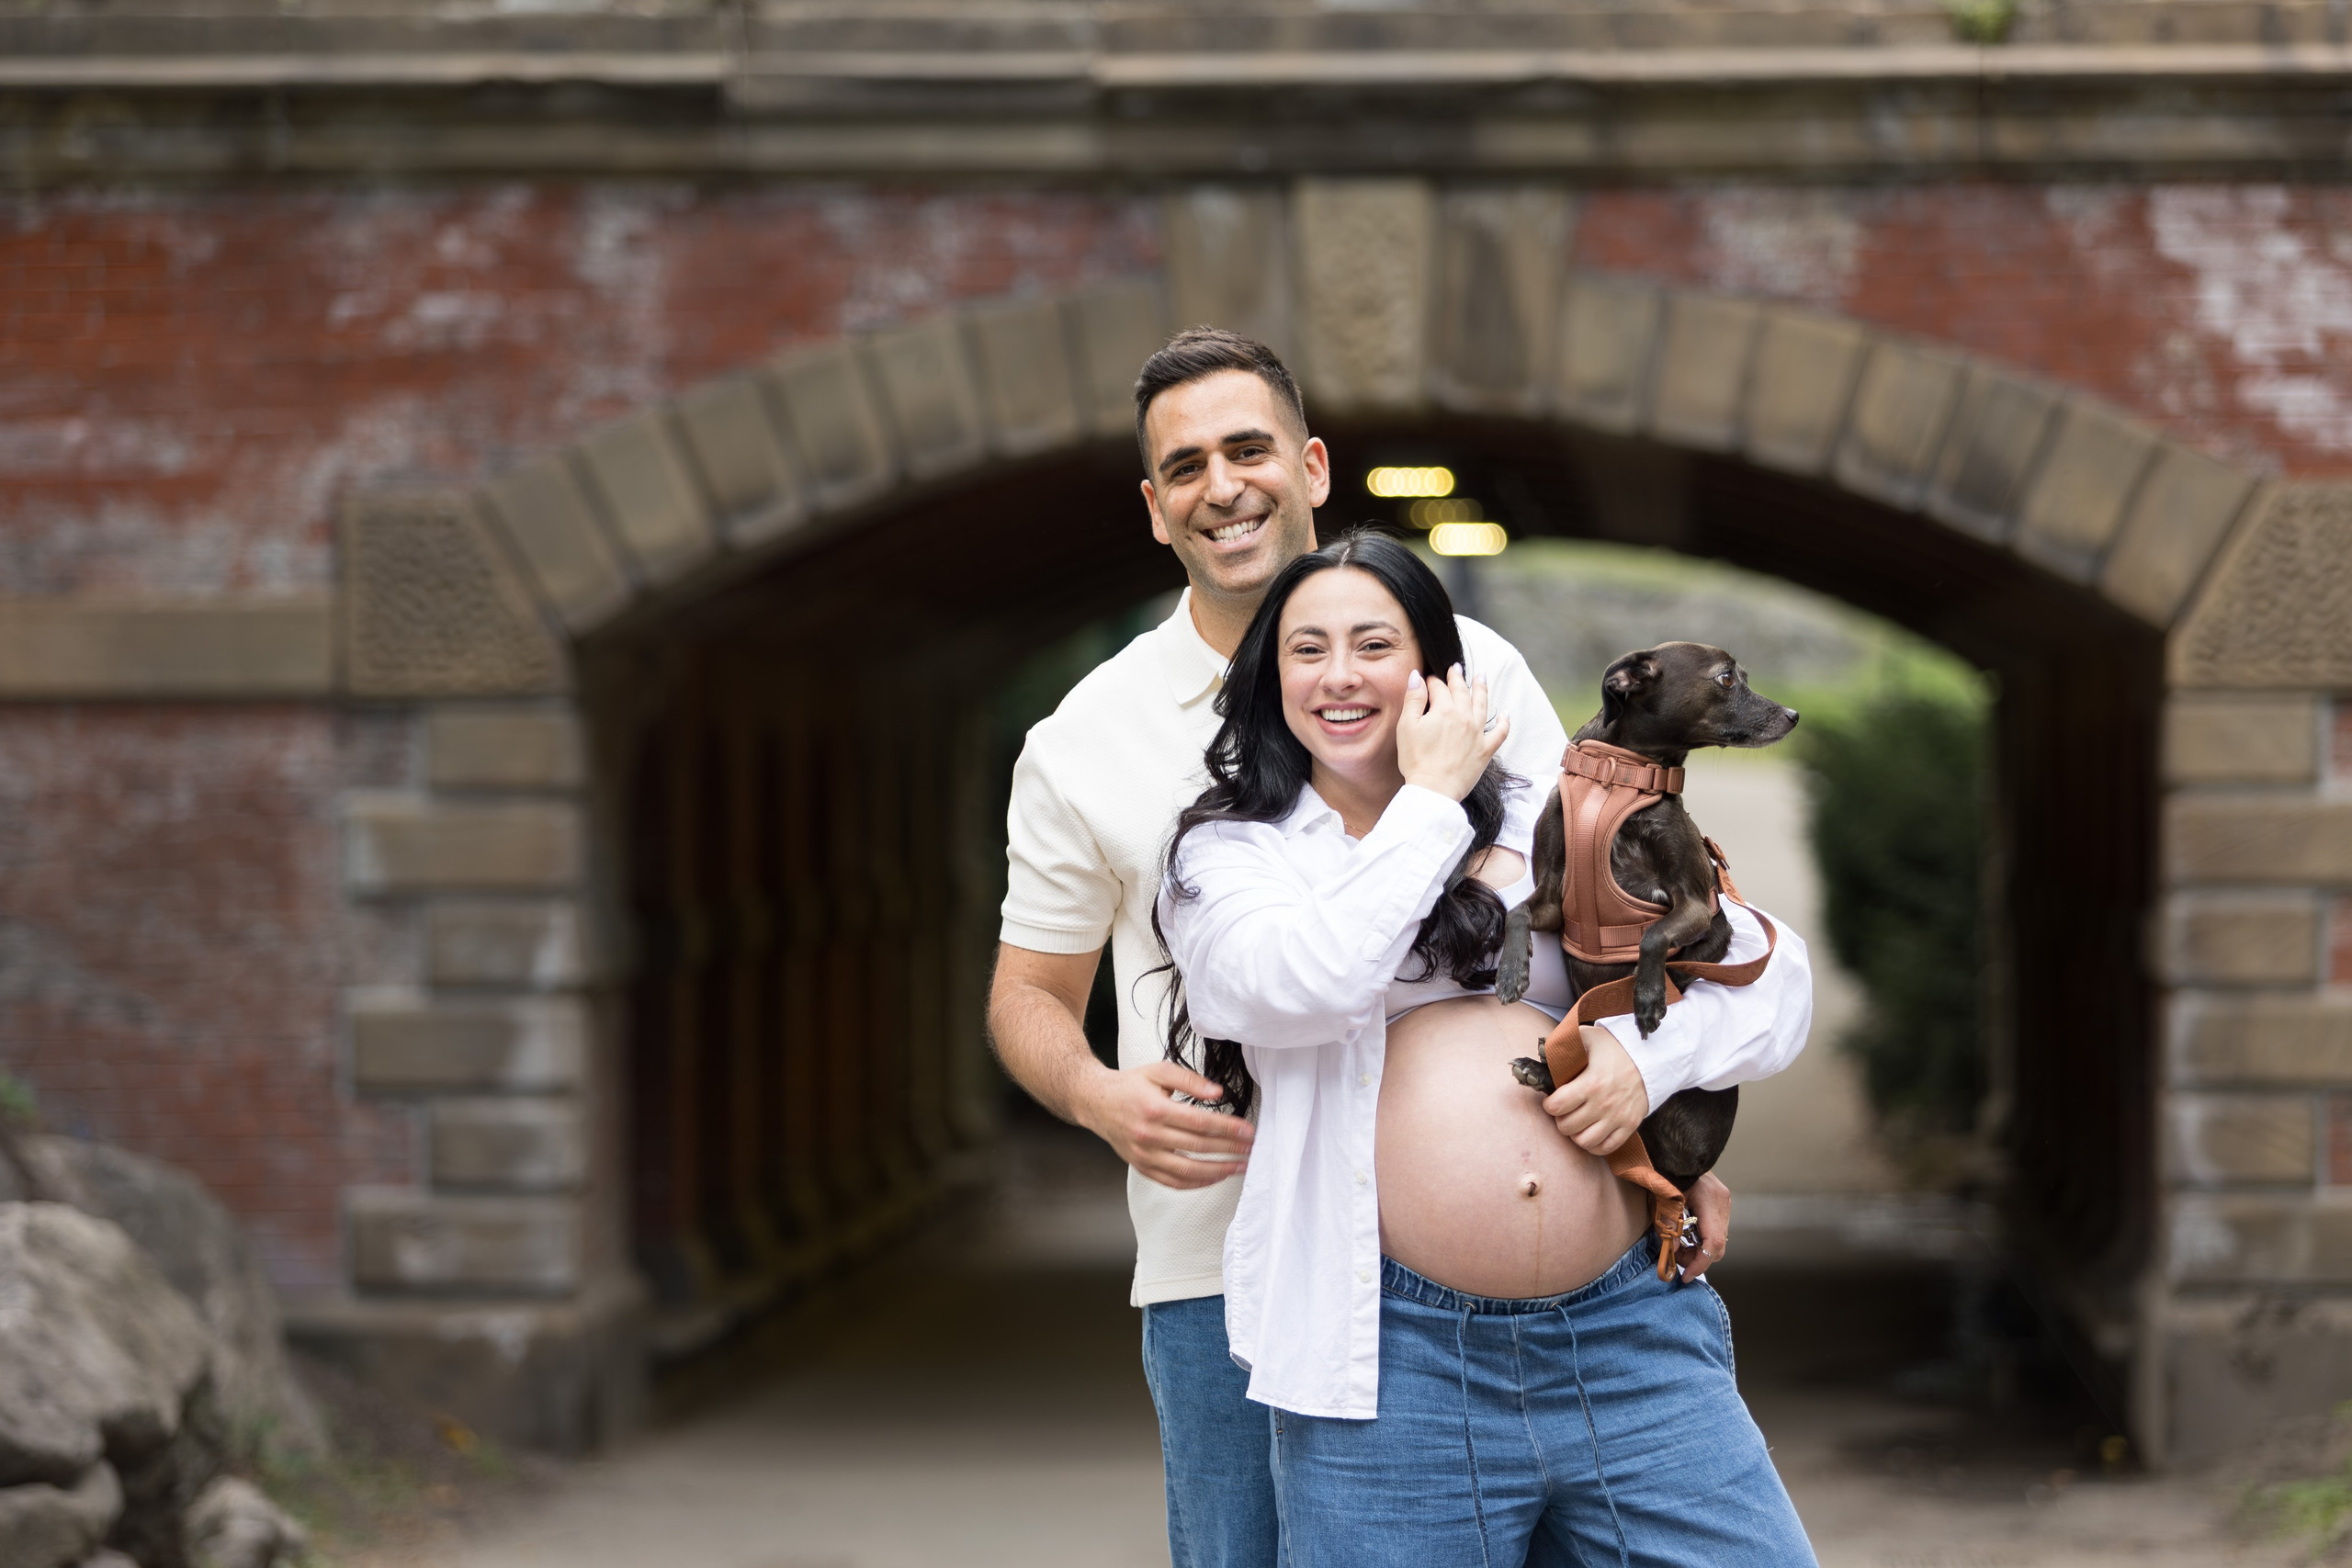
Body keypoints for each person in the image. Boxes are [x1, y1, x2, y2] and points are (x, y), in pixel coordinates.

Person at [986, 329, 1787, 1568]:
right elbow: (1034, 994)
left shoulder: (1478, 671)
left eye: (1248, 448)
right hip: (1234, 1249)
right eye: (1185, 466)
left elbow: (1596, 914)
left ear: (1310, 464)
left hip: (1562, 1283)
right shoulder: (1096, 745)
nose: (1222, 485)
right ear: (1154, 509)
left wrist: (1653, 1110)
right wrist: (1097, 1094)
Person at [1155, 532, 1818, 1566]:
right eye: (1305, 649)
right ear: (1266, 676)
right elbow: (1302, 983)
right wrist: (1427, 800)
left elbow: (1773, 977)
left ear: (1432, 666)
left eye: (1373, 644)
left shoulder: (1547, 814)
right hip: (1390, 1362)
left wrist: (1650, 1063)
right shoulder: (1230, 854)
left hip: (1628, 1329)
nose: (1339, 676)